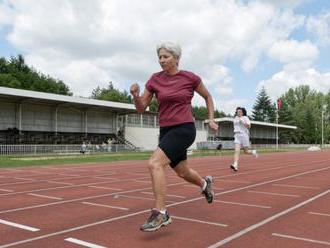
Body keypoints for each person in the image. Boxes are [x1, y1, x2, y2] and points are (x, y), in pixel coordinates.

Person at [130, 42, 218, 232]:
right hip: (166, 131)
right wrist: (136, 95)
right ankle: (205, 184)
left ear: (176, 58)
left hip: (184, 128)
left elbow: (208, 97)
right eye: (159, 57)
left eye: (166, 56)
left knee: (154, 163)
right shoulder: (154, 79)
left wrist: (211, 119)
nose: (161, 60)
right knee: (182, 172)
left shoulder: (190, 78)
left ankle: (161, 213)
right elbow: (141, 108)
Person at [230, 107, 258, 172]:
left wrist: (243, 122)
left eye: (240, 112)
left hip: (244, 135)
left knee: (246, 151)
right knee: (237, 151)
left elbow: (249, 126)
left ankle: (253, 152)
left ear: (243, 112)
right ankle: (235, 165)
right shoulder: (235, 118)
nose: (238, 113)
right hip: (237, 135)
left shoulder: (245, 118)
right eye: (237, 112)